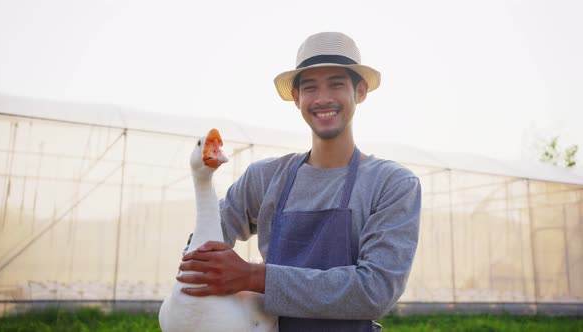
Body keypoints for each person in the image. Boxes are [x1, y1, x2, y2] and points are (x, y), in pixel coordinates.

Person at [177, 31, 422, 331]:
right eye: (310, 88)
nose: (322, 99)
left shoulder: (392, 184)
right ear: (296, 98)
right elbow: (199, 251)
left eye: (336, 84)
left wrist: (252, 277)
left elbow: (375, 291)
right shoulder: (265, 178)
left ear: (360, 92)